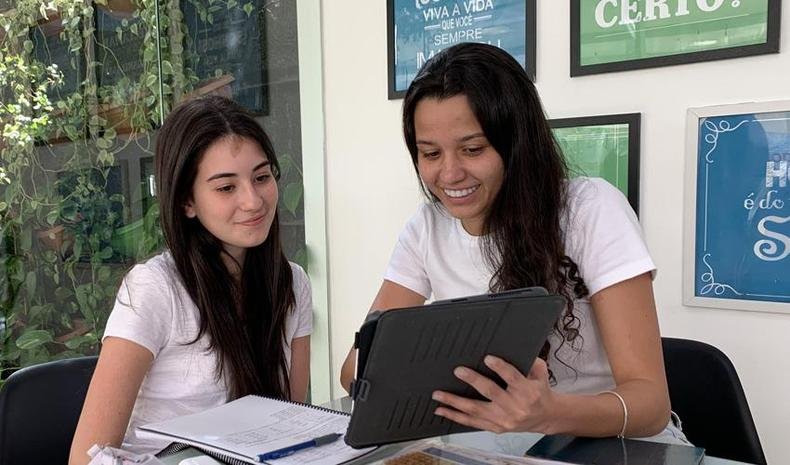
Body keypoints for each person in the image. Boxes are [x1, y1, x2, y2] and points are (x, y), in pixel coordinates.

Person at [340, 42, 686, 443]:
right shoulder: (426, 226)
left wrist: (549, 412)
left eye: (473, 149)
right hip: (500, 449)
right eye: (430, 153)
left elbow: (651, 405)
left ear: (516, 144)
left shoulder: (591, 209)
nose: (449, 174)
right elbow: (354, 373)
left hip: (616, 448)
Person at [69, 96, 312, 464]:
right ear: (187, 202)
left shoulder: (292, 283)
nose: (253, 201)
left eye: (261, 177)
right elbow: (86, 459)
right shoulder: (154, 288)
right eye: (226, 188)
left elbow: (290, 425)